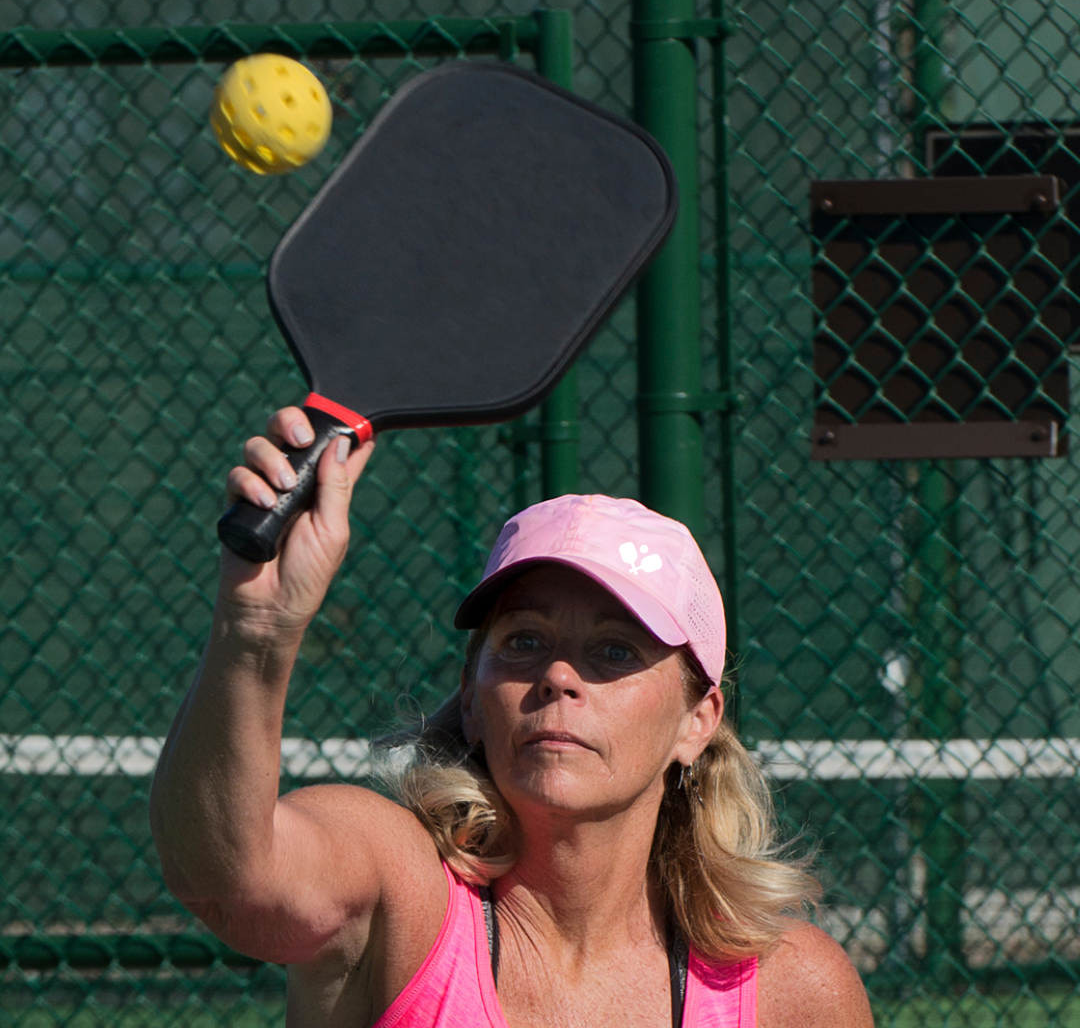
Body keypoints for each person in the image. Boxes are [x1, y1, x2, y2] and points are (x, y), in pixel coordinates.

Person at [150, 407, 874, 1028]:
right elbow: (230, 879)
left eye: (615, 651)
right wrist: (256, 632)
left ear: (698, 720)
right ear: (471, 694)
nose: (559, 676)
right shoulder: (403, 888)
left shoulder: (795, 990)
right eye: (524, 641)